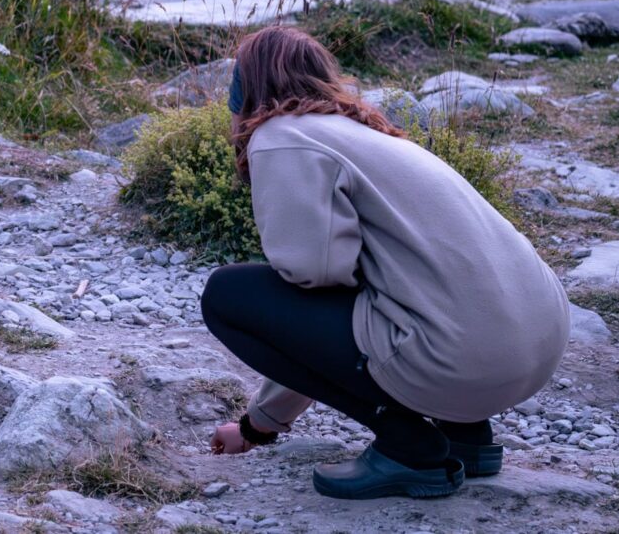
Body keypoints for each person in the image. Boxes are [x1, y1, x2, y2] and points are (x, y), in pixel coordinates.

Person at [201, 26, 569, 500]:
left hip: (463, 360)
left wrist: (257, 428)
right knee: (413, 290)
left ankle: (409, 447)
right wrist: (262, 422)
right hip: (536, 347)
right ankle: (468, 436)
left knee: (227, 297)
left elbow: (314, 279)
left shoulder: (280, 137)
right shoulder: (364, 134)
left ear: (243, 92)